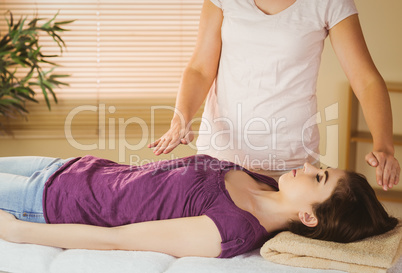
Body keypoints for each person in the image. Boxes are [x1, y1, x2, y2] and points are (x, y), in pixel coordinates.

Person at [147, 0, 400, 190]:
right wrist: (180, 119)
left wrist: (384, 146)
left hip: (291, 171)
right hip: (220, 160)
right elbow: (200, 68)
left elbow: (365, 80)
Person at [0, 155, 398, 258]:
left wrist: (19, 231)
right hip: (67, 168)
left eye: (319, 178)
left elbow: (117, 239)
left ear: (308, 216)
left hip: (48, 202)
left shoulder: (232, 229)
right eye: (322, 167)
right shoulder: (263, 181)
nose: (310, 166)